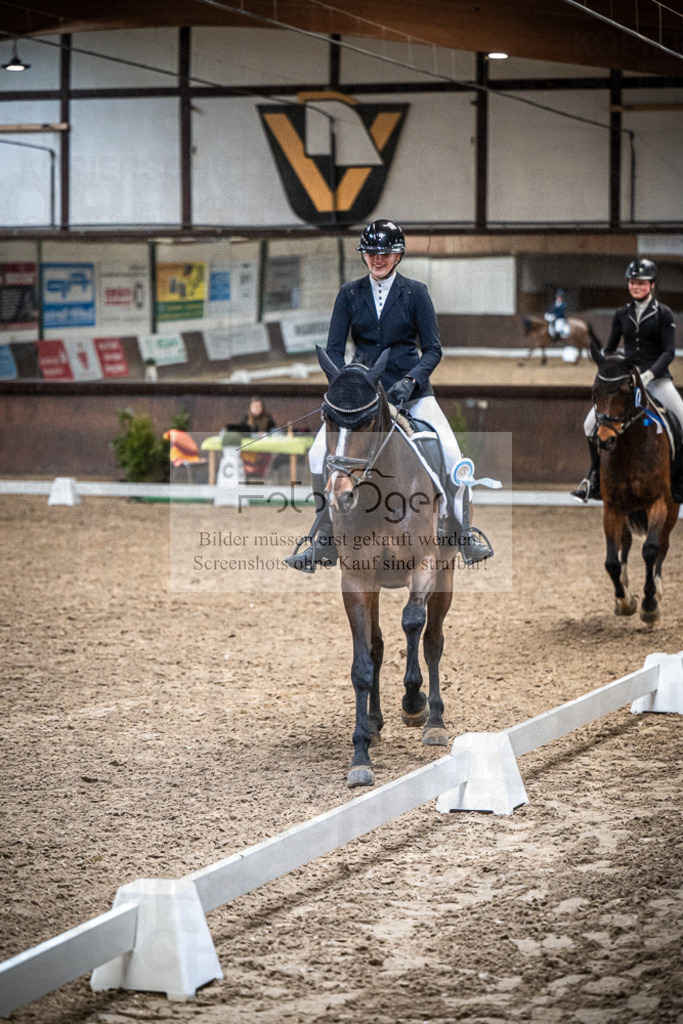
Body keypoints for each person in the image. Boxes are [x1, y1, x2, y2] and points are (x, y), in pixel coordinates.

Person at [285, 218, 493, 572]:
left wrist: (411, 381)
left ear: (397, 256)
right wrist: (346, 383)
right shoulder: (349, 293)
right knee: (318, 452)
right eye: (370, 252)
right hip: (361, 398)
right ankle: (323, 537)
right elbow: (334, 350)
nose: (376, 259)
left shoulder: (416, 292)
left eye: (384, 253)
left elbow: (432, 350)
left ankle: (463, 533)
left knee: (452, 452)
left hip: (410, 392)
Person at [572, 257, 683, 503]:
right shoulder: (622, 313)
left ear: (652, 285)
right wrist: (608, 367)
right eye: (633, 282)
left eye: (641, 283)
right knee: (589, 424)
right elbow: (611, 348)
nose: (636, 286)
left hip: (657, 379)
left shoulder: (664, 314)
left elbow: (669, 352)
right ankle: (595, 478)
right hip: (628, 381)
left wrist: (650, 373)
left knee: (682, 418)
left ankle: (679, 480)